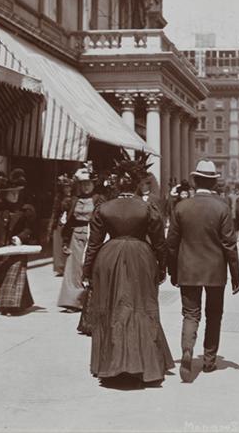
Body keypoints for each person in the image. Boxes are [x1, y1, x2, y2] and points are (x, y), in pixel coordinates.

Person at [82, 151, 173, 385]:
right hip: (140, 257)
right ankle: (142, 365)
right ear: (137, 184)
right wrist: (162, 267)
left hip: (108, 257)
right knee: (140, 307)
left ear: (117, 183)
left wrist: (87, 271)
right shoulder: (147, 208)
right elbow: (160, 243)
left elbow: (93, 244)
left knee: (112, 307)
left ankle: (111, 365)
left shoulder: (104, 207)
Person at [167, 159, 239, 382]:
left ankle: (187, 349)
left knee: (190, 314)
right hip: (215, 271)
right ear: (213, 183)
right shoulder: (222, 207)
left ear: (195, 181)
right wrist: (235, 275)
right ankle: (209, 360)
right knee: (214, 315)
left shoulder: (181, 207)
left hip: (188, 269)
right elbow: (229, 244)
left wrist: (172, 271)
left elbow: (172, 243)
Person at [0, 168, 37, 314]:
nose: (15, 196)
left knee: (16, 274)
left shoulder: (26, 210)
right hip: (1, 247)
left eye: (17, 193)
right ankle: (7, 304)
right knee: (3, 274)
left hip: (17, 246)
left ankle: (13, 306)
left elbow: (30, 229)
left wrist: (20, 237)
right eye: (11, 193)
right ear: (5, 195)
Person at [57, 167, 99, 313]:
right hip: (76, 235)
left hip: (93, 235)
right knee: (74, 268)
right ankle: (73, 302)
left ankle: (90, 301)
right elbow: (69, 221)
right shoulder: (74, 200)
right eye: (83, 184)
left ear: (93, 184)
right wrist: (65, 241)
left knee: (90, 266)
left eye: (88, 183)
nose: (86, 186)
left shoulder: (98, 199)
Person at [47, 174, 73, 277]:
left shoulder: (74, 198)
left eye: (69, 187)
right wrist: (51, 226)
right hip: (60, 222)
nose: (67, 189)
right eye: (65, 187)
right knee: (58, 244)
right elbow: (55, 212)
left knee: (69, 244)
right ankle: (60, 267)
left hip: (70, 223)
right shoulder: (59, 198)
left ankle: (69, 267)